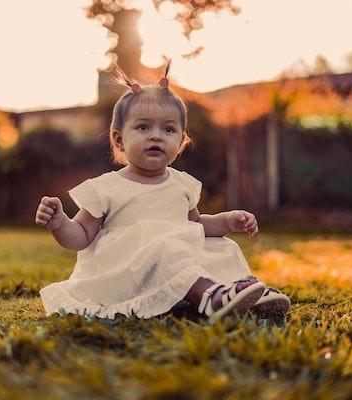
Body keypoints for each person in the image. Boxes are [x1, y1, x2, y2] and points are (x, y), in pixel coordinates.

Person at [35, 60, 290, 323]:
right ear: (119, 139)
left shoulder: (182, 185)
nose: (156, 136)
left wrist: (226, 220)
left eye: (168, 129)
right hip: (128, 270)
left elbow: (196, 226)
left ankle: (241, 291)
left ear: (180, 143)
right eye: (143, 127)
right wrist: (60, 222)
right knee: (167, 247)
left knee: (222, 247)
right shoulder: (106, 188)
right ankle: (211, 297)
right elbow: (80, 237)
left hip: (173, 262)